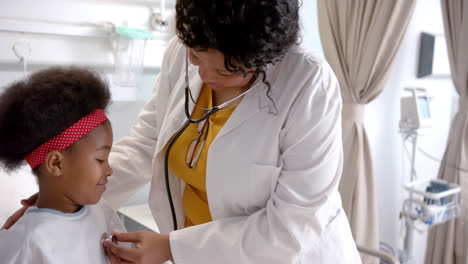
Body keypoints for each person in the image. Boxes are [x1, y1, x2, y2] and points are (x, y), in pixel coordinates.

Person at [3, 0, 362, 263]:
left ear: (263, 59)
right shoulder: (179, 53)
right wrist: (63, 198)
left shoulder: (308, 85)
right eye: (197, 58)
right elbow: (147, 142)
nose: (205, 77)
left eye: (226, 71)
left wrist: (172, 246)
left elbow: (289, 229)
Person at [0, 67, 126, 263]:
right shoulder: (29, 244)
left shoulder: (102, 212)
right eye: (101, 159)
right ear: (56, 163)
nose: (109, 170)